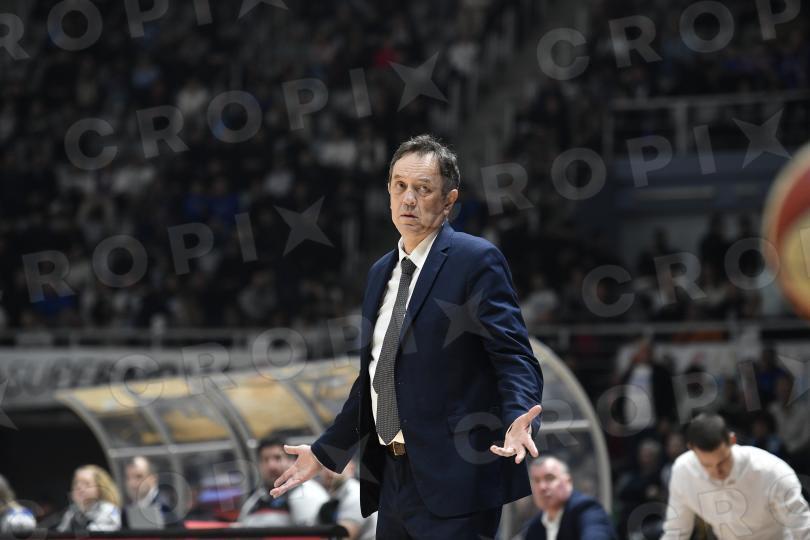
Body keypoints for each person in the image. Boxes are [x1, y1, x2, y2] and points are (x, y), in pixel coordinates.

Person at [270, 134, 544, 538]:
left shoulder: (476, 260)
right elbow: (377, 376)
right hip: (391, 477)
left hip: (457, 480)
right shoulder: (379, 271)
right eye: (399, 186)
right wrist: (326, 452)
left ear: (449, 200)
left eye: (423, 189)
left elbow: (513, 355)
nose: (409, 199)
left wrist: (520, 416)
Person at [662, 413, 810, 539]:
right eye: (706, 465)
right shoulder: (683, 471)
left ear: (732, 440)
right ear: (692, 450)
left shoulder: (771, 471)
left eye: (722, 462)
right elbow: (676, 532)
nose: (717, 472)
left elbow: (803, 528)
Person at [237, 437, 329, 527]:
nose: (271, 466)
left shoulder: (307, 492)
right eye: (265, 460)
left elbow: (308, 533)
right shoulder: (256, 498)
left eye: (278, 458)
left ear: (292, 461)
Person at [523, 457, 615, 540]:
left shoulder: (587, 509)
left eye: (550, 478)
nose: (542, 487)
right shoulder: (534, 527)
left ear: (568, 481)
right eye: (536, 480)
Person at [318, 458, 377, 540]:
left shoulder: (356, 494)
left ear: (351, 469)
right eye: (324, 465)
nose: (329, 470)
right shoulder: (334, 495)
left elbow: (343, 536)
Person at [56, 465, 121, 532]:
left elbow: (97, 533)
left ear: (100, 488)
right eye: (76, 483)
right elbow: (60, 534)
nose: (79, 487)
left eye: (86, 483)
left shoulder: (109, 509)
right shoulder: (71, 512)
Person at [122, 456, 178, 529]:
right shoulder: (125, 512)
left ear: (153, 479)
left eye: (139, 477)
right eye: (128, 478)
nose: (132, 483)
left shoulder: (166, 509)